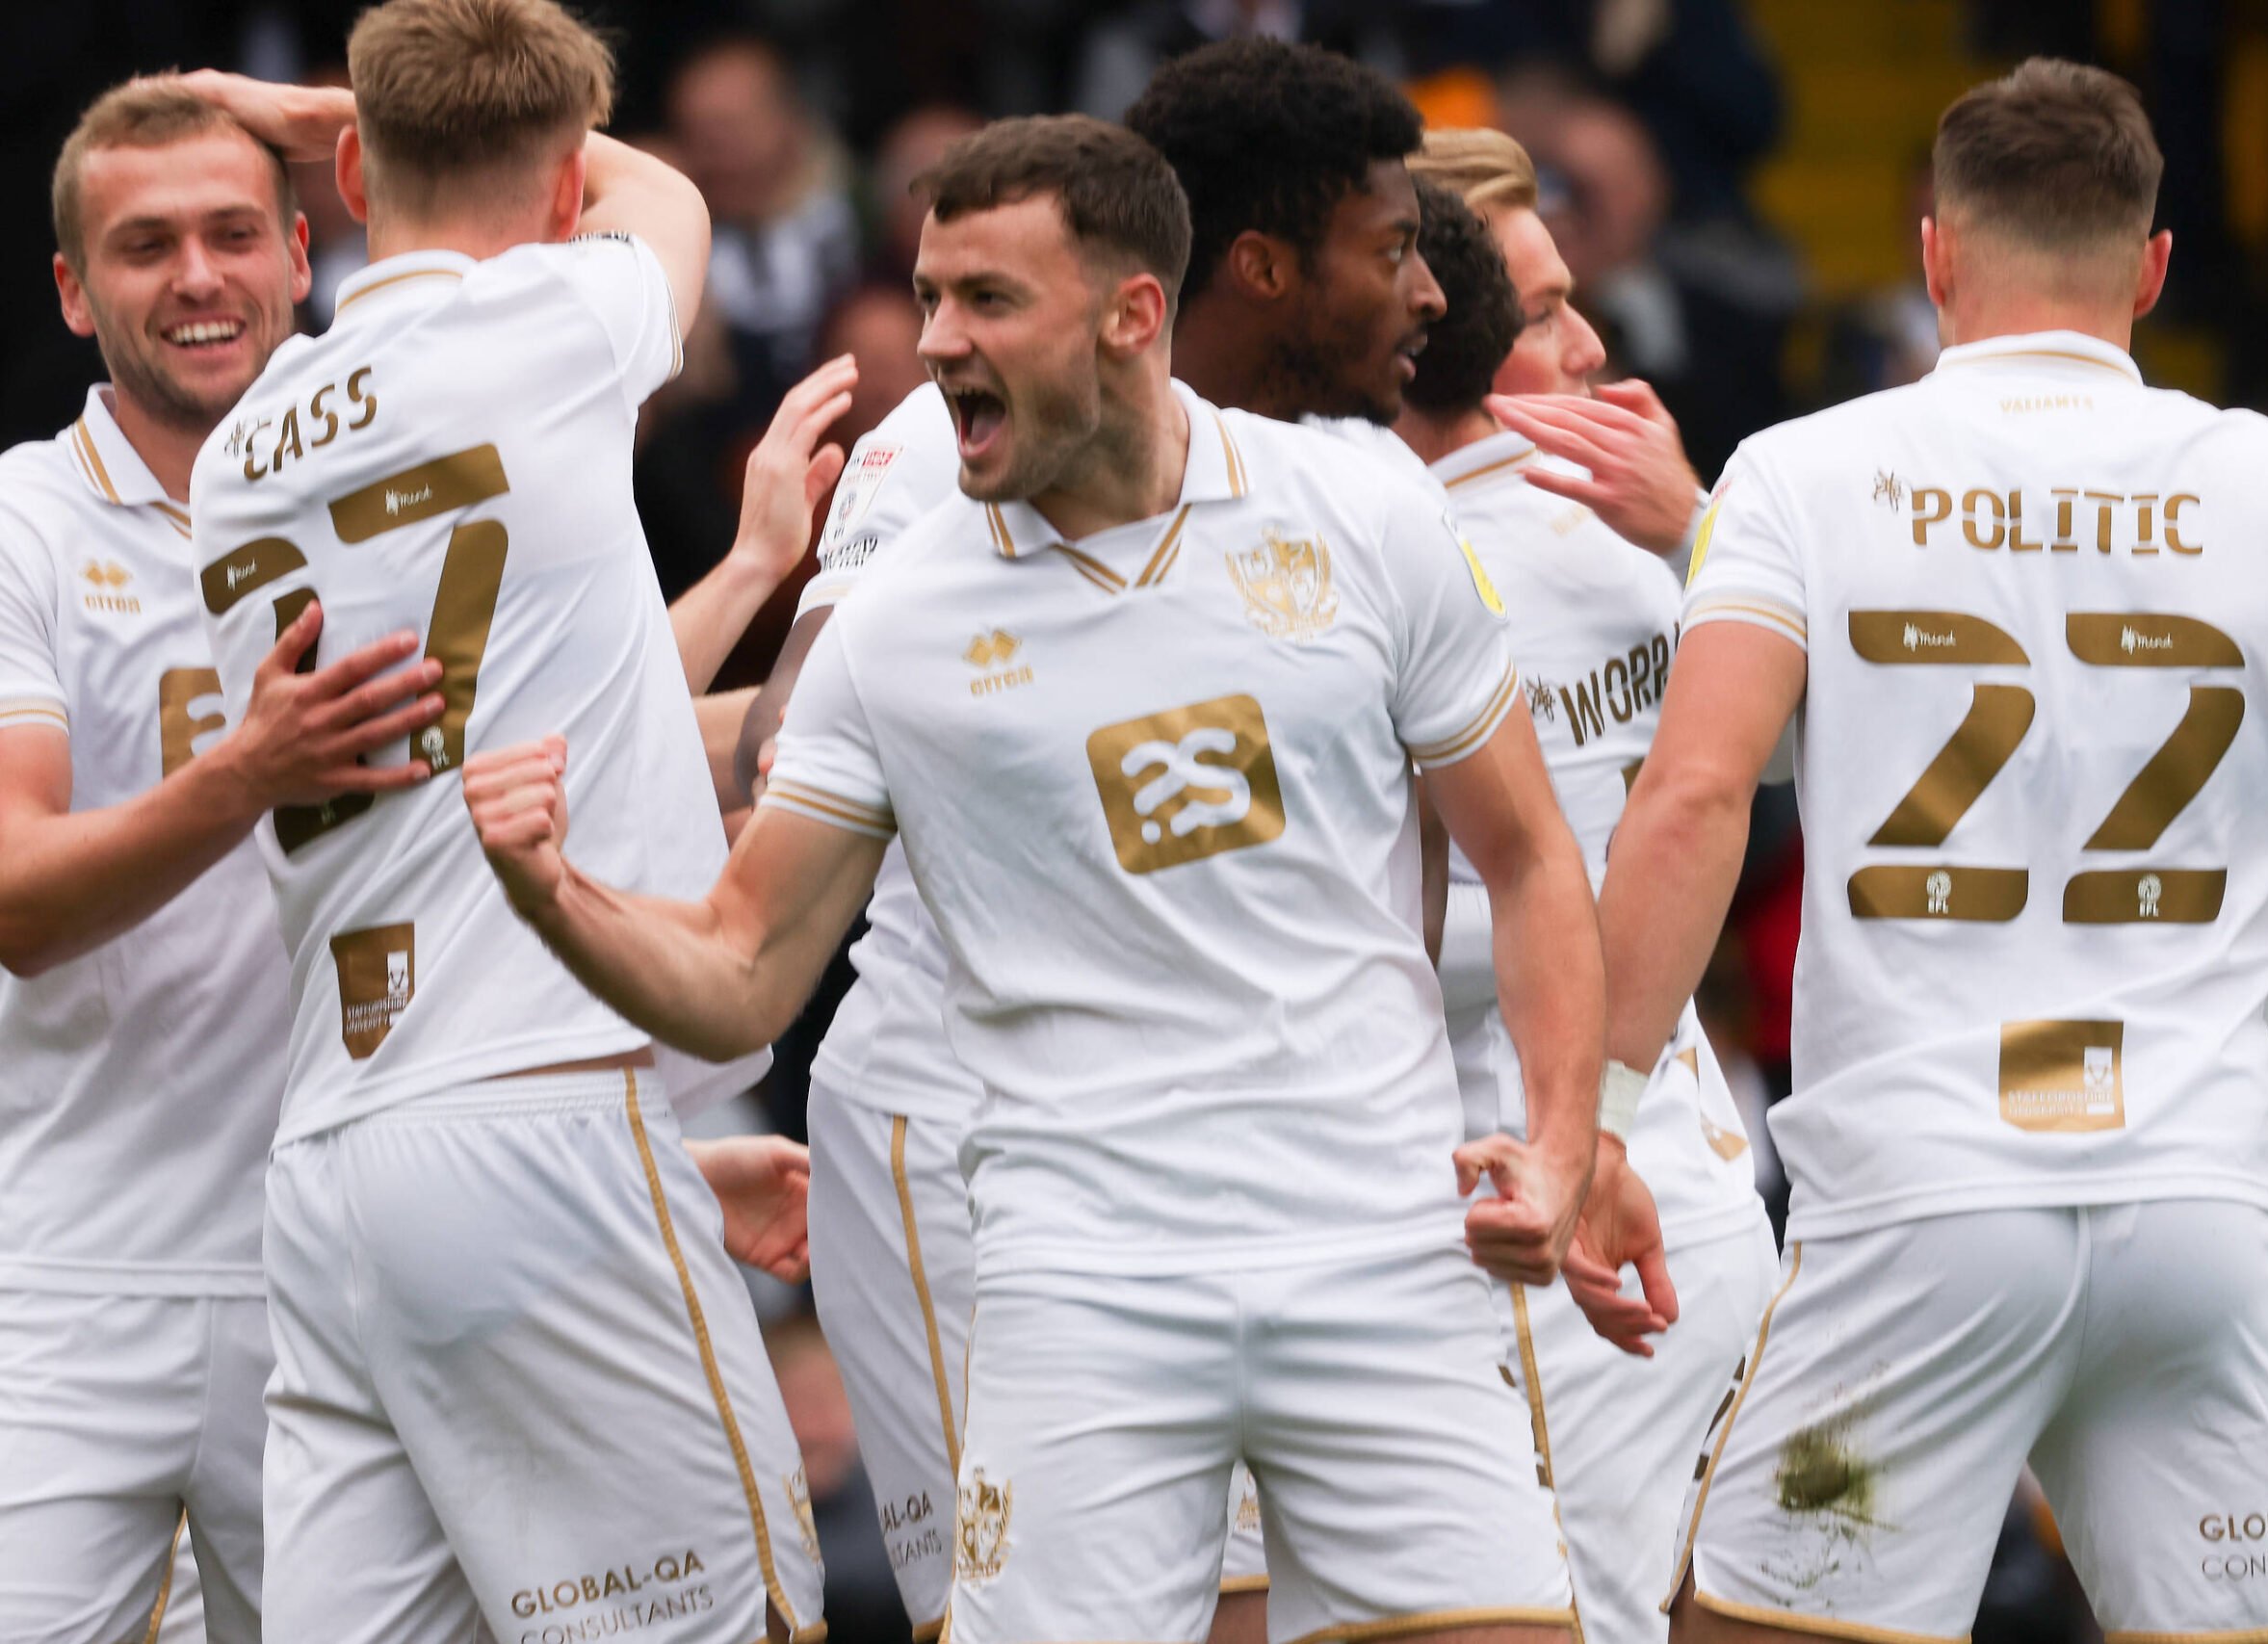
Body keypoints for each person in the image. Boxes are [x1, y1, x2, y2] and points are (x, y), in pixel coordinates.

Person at [466, 113, 1597, 1644]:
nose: (938, 341)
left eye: (987, 300)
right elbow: (740, 971)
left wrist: (1564, 1142)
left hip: (1381, 1253)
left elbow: (1528, 856)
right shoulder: (900, 621)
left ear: (1134, 313)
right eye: (930, 296)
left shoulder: (1361, 509)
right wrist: (556, 892)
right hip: (1084, 1296)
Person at [1600, 58, 2268, 1644]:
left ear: (1936, 254)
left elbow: (1694, 800)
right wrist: (2248, 920)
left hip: (1925, 1225)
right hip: (2205, 1225)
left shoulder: (1806, 472)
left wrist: (1591, 1119)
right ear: (2154, 266)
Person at [0, 70, 830, 1644]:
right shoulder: (35, 521)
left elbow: (529, 731)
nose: (197, 276)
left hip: (341, 1197)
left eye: (232, 232)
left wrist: (744, 587)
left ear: (308, 237)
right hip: (98, 1267)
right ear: (69, 289)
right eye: (146, 245)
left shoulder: (284, 463)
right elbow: (16, 899)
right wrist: (245, 773)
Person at [725, 41, 1466, 1642]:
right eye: (1392, 248)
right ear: (1258, 268)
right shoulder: (947, 447)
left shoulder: (1329, 492)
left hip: (1231, 1162)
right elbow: (793, 724)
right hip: (961, 1122)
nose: (1429, 294)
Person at [1395, 150, 1779, 1644]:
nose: (1590, 346)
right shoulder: (1657, 542)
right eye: (1544, 312)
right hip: (1682, 1187)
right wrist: (1708, 533)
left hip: (1543, 1216)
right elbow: (1832, 741)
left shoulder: (1387, 573)